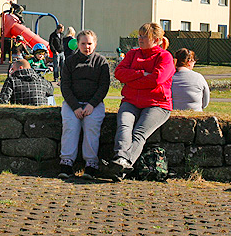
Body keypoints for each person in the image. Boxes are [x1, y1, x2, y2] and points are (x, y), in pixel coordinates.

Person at [107, 22, 175, 182]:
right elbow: (119, 73)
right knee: (124, 126)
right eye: (140, 35)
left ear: (157, 39)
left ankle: (122, 164)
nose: (140, 39)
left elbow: (157, 79)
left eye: (145, 36)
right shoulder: (132, 54)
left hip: (157, 104)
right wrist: (142, 74)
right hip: (131, 101)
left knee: (139, 134)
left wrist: (132, 79)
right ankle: (121, 162)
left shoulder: (165, 57)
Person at [58, 30, 110, 179]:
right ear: (78, 44)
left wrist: (91, 105)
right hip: (72, 103)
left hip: (93, 104)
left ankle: (91, 164)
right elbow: (65, 86)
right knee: (70, 126)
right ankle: (66, 163)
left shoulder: (101, 62)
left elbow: (104, 86)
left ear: (95, 44)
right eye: (83, 43)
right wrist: (75, 107)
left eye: (89, 43)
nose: (86, 47)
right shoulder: (69, 62)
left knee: (92, 127)